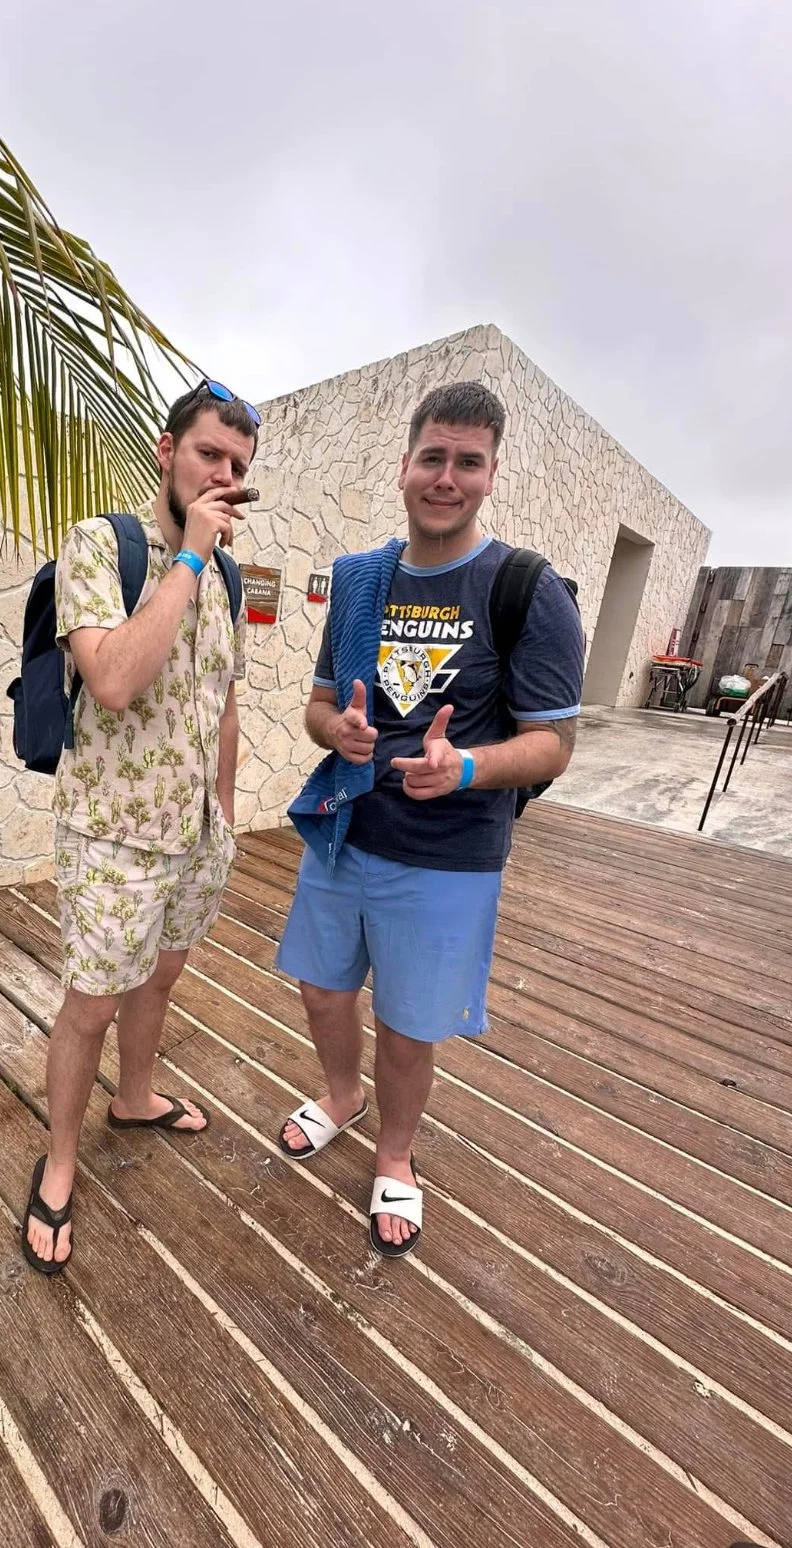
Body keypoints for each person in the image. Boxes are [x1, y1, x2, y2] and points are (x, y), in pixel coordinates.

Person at [276, 381, 584, 1257]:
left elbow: (554, 744)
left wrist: (468, 768)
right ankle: (343, 1095)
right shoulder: (358, 581)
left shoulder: (524, 587)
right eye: (434, 457)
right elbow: (320, 705)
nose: (447, 477)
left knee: (410, 1025)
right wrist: (336, 731)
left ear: (491, 475)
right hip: (345, 830)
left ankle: (396, 1156)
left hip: (450, 853)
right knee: (323, 990)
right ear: (406, 465)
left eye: (468, 462)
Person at [22, 380, 261, 1274]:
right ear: (167, 451)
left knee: (159, 981)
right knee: (92, 1004)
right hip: (112, 835)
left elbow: (223, 701)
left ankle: (136, 1098)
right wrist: (188, 555)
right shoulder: (100, 544)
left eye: (237, 463)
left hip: (196, 836)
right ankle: (58, 1162)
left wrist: (224, 815)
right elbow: (116, 680)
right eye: (208, 454)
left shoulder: (228, 575)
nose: (223, 475)